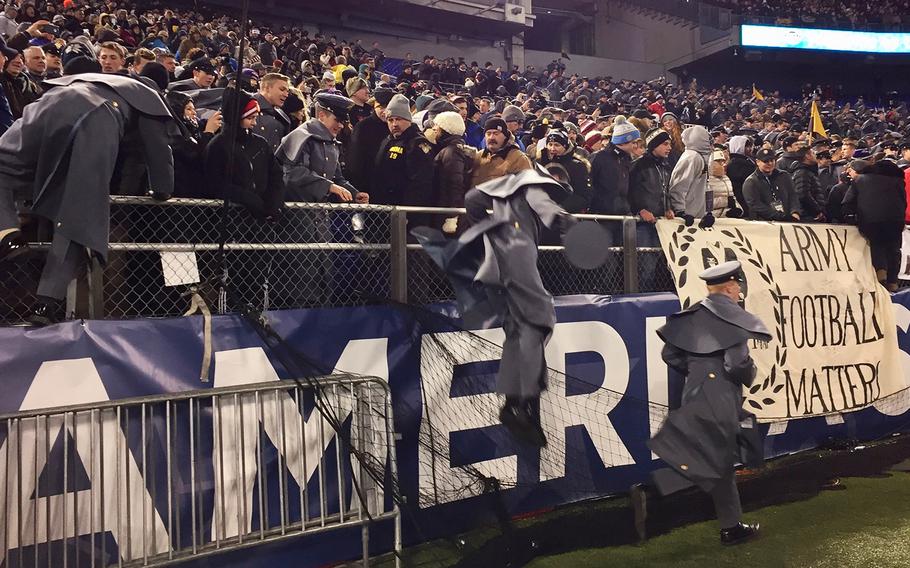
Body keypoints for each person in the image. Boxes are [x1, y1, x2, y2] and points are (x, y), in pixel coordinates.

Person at [411, 166, 576, 447]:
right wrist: (566, 220)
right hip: (516, 257)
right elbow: (545, 206)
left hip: (499, 261)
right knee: (540, 318)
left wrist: (487, 232)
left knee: (520, 328)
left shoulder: (508, 188)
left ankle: (519, 405)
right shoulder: (532, 186)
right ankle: (517, 404)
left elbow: (473, 198)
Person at [0, 73, 174, 325]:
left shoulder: (93, 80)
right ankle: (45, 305)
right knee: (77, 213)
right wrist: (162, 190)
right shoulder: (147, 97)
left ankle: (6, 233)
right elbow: (159, 152)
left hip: (50, 101)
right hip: (97, 118)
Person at [638, 260, 771, 545]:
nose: (739, 293)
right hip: (721, 394)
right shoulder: (733, 317)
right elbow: (736, 364)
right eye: (737, 287)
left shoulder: (693, 315)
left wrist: (697, 371)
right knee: (716, 459)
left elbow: (669, 355)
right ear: (730, 287)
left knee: (720, 462)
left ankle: (731, 527)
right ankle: (651, 492)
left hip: (694, 390)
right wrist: (750, 372)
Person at [204, 88, 284, 220]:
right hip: (230, 219)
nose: (254, 122)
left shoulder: (260, 143)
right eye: (250, 118)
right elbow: (215, 182)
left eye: (255, 117)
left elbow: (276, 174)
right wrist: (247, 198)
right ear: (237, 117)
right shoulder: (217, 145)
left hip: (261, 220)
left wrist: (274, 202)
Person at [277, 91, 368, 203]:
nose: (340, 125)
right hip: (295, 211)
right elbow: (292, 173)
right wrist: (329, 187)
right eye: (337, 120)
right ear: (321, 116)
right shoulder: (302, 136)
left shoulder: (332, 142)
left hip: (318, 211)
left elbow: (336, 178)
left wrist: (354, 193)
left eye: (342, 122)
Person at [842, 159, 906, 291]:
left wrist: (852, 218)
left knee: (876, 246)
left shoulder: (859, 180)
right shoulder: (897, 181)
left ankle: (880, 272)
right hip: (894, 221)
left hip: (869, 220)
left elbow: (848, 202)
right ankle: (892, 280)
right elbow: (903, 202)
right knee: (893, 249)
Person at [372, 93, 435, 208]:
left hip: (405, 211)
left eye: (399, 119)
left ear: (408, 120)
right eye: (390, 120)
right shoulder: (386, 141)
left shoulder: (417, 143)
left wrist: (409, 213)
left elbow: (421, 184)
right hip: (384, 208)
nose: (394, 124)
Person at [428, 110, 472, 234]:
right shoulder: (452, 149)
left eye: (437, 125)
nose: (434, 128)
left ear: (445, 129)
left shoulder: (452, 152)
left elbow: (455, 183)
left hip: (445, 213)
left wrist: (452, 215)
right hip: (445, 209)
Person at [345, 87, 394, 193]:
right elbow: (355, 162)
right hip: (366, 186)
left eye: (388, 107)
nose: (384, 112)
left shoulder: (394, 127)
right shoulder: (363, 127)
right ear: (374, 107)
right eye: (381, 107)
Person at [590, 115, 639, 216]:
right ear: (622, 142)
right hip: (602, 218)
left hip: (622, 216)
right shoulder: (599, 158)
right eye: (633, 142)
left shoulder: (626, 159)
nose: (636, 146)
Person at [536, 129, 591, 213]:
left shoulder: (577, 166)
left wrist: (559, 209)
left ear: (565, 146)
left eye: (557, 145)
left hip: (567, 215)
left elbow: (582, 196)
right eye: (550, 144)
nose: (552, 148)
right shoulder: (540, 163)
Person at [668, 125, 712, 227]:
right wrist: (680, 211)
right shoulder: (691, 157)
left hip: (695, 217)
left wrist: (707, 212)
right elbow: (678, 186)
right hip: (686, 219)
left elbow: (702, 188)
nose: (709, 142)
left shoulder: (699, 156)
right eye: (707, 138)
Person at [471, 117, 532, 187]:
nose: (491, 137)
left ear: (505, 136)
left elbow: (527, 189)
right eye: (488, 134)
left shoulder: (518, 159)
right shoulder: (478, 157)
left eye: (496, 133)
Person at [743, 148, 800, 222]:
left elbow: (793, 195)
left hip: (787, 221)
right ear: (757, 162)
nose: (770, 163)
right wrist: (781, 216)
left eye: (772, 160)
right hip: (763, 224)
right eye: (766, 161)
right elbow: (756, 205)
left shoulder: (784, 176)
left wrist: (795, 211)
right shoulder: (751, 182)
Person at [253, 72, 291, 153]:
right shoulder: (245, 105)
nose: (286, 95)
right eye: (282, 89)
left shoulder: (283, 117)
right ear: (267, 88)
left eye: (287, 91)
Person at [789, 147, 826, 221]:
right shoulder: (803, 173)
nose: (815, 155)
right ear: (807, 156)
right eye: (813, 153)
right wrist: (817, 211)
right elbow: (803, 195)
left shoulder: (807, 171)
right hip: (808, 216)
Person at [727, 135, 755, 217]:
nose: (750, 149)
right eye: (746, 146)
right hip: (743, 199)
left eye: (750, 146)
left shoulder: (742, 160)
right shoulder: (739, 163)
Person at [708, 150, 737, 217]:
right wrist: (726, 202)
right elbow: (702, 204)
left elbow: (732, 199)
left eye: (723, 161)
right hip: (713, 220)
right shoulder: (705, 180)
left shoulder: (726, 178)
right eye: (719, 161)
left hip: (728, 219)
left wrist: (737, 209)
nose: (723, 164)